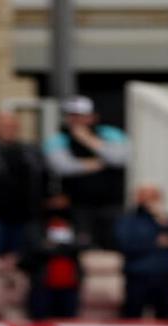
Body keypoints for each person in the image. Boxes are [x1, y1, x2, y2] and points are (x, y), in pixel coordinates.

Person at [44, 96, 130, 249]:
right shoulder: (58, 139)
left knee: (113, 244)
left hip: (112, 203)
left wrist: (87, 139)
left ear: (93, 116)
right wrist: (98, 162)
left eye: (81, 115)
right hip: (78, 205)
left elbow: (119, 159)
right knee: (81, 246)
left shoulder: (111, 133)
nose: (76, 120)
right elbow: (63, 167)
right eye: (72, 115)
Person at [0, 111, 52, 257]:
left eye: (12, 126)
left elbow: (43, 176)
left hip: (28, 214)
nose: (9, 130)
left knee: (28, 258)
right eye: (4, 126)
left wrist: (46, 199)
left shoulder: (31, 150)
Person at [115, 184, 168, 321]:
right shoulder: (128, 220)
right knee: (133, 316)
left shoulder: (167, 220)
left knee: (164, 316)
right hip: (138, 275)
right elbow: (125, 244)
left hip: (164, 275)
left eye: (153, 197)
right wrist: (154, 243)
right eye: (145, 196)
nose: (149, 201)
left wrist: (163, 219)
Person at [17, 211, 85, 320]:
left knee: (67, 322)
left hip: (69, 284)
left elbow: (83, 244)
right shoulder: (35, 229)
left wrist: (55, 246)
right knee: (40, 323)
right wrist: (64, 247)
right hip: (43, 283)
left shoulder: (76, 227)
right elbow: (37, 249)